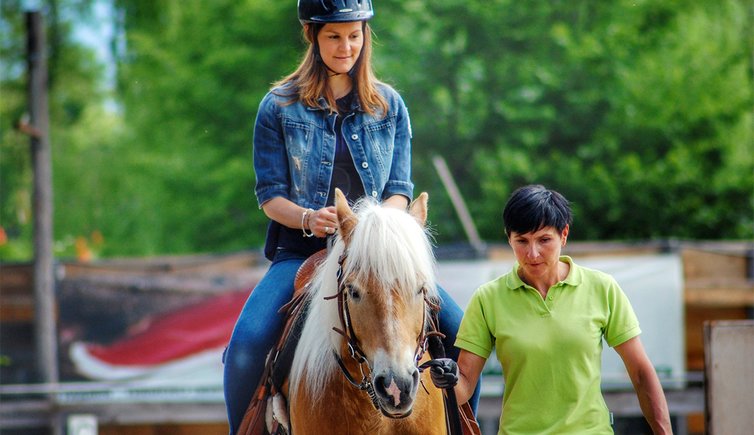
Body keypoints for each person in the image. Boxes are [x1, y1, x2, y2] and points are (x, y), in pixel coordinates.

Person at [222, 1, 478, 432]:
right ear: (312, 36)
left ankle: (466, 423)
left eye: (354, 35)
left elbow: (399, 191)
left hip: (380, 256)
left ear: (365, 36)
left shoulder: (389, 105)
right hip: (300, 252)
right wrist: (308, 219)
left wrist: (369, 235)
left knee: (464, 334)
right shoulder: (277, 106)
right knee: (246, 345)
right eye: (334, 36)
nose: (346, 47)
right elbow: (270, 196)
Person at [429, 184, 673, 434]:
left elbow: (641, 373)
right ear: (508, 238)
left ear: (564, 235)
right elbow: (464, 388)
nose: (532, 253)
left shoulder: (602, 288)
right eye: (521, 241)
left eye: (544, 240)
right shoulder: (487, 299)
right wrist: (447, 381)